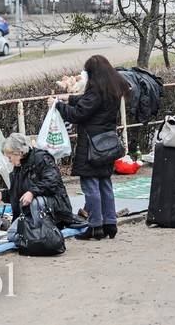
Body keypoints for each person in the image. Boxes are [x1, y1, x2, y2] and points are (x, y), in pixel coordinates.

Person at [48, 55, 130, 241]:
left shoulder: (96, 92)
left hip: (91, 145)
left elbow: (79, 114)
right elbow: (88, 103)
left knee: (91, 186)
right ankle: (110, 223)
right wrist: (69, 98)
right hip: (107, 143)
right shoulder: (112, 88)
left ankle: (94, 226)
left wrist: (58, 105)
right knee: (105, 184)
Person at [0, 133, 86, 242]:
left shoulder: (41, 158)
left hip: (54, 206)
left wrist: (32, 192)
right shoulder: (19, 166)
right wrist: (2, 195)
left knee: (36, 203)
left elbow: (52, 180)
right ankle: (34, 233)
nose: (9, 160)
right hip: (30, 211)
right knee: (12, 235)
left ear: (19, 153)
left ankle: (42, 234)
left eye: (10, 157)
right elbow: (19, 193)